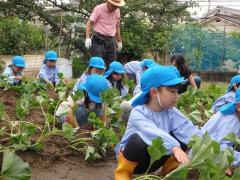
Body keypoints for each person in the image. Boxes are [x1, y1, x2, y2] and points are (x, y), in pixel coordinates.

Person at [114, 65, 202, 179]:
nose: (176, 96)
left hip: (156, 159)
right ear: (154, 92)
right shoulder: (138, 112)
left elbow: (189, 129)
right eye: (172, 91)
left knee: (184, 137)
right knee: (137, 141)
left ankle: (168, 174)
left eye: (177, 91)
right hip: (137, 162)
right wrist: (174, 147)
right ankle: (123, 174)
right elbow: (150, 132)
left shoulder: (171, 112)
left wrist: (211, 151)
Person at [202, 88, 240, 176]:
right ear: (238, 106)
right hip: (207, 156)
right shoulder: (231, 121)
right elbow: (220, 147)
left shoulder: (236, 113)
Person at [85, 0, 125, 66]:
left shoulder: (117, 10)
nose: (115, 8)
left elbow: (117, 26)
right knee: (98, 64)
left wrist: (119, 41)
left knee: (112, 64)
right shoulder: (99, 8)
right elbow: (89, 23)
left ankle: (109, 76)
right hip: (98, 39)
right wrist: (87, 38)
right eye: (114, 6)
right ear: (108, 2)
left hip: (111, 40)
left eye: (117, 6)